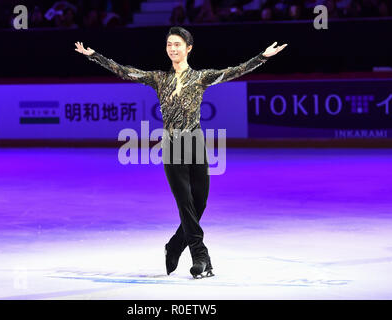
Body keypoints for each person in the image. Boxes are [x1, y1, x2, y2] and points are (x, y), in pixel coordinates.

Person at [74, 27, 287, 279]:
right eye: (169, 45)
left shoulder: (200, 77)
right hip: (173, 145)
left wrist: (262, 57)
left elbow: (233, 72)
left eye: (177, 44)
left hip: (195, 142)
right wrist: (94, 55)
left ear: (189, 48)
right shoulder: (158, 78)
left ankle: (174, 245)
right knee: (185, 203)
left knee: (200, 203)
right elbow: (126, 71)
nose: (172, 48)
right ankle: (201, 257)